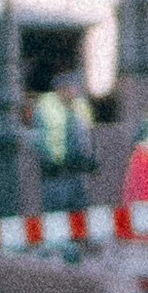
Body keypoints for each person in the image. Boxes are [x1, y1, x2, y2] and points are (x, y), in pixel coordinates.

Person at [34, 67, 96, 214]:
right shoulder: (45, 107)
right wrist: (49, 159)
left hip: (78, 171)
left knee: (80, 212)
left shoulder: (81, 106)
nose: (74, 92)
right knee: (57, 214)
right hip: (56, 173)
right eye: (70, 88)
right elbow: (39, 138)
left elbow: (88, 134)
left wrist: (90, 157)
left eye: (75, 88)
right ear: (60, 90)